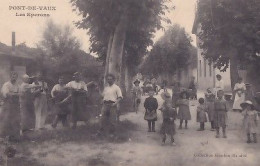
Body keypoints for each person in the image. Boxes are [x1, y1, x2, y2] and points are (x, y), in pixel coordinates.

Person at [0, 71, 20, 141]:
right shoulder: (6, 84)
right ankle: (3, 137)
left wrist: (15, 94)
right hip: (8, 104)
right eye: (13, 76)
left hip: (15, 104)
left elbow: (20, 93)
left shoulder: (17, 85)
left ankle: (13, 136)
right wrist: (15, 94)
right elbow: (7, 94)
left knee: (15, 120)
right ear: (10, 76)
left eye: (15, 76)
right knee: (6, 119)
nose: (14, 77)